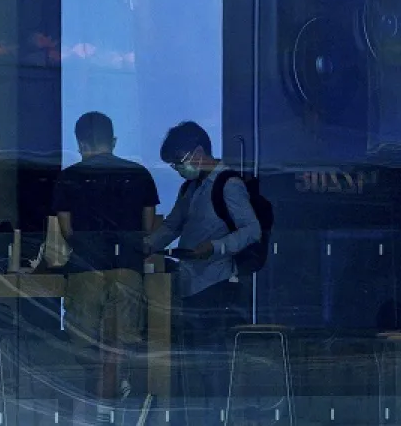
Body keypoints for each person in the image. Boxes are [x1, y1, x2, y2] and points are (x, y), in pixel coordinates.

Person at [145, 122, 260, 426]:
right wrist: (145, 246)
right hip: (191, 283)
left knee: (212, 361)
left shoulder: (228, 184)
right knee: (196, 361)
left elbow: (252, 230)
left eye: (178, 162)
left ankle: (217, 419)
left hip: (217, 282)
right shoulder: (191, 187)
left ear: (198, 153)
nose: (177, 169)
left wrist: (217, 247)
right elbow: (172, 225)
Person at [54, 111, 159, 412]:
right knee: (120, 344)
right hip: (127, 266)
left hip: (86, 267)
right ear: (113, 140)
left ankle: (99, 403)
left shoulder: (70, 176)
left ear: (80, 143)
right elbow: (147, 226)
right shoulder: (139, 173)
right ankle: (113, 399)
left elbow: (66, 229)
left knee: (86, 341)